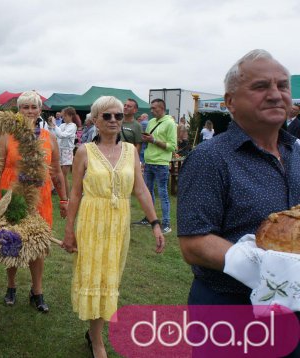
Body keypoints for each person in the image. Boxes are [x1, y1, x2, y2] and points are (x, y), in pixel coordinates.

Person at [178, 49, 300, 358]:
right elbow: (194, 243)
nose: (276, 95)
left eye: (282, 86)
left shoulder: (296, 153)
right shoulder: (210, 158)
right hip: (231, 308)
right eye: (261, 87)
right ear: (230, 101)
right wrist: (267, 268)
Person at [62, 96, 165, 358]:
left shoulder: (131, 151)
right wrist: (69, 230)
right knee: (93, 276)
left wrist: (155, 223)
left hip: (119, 224)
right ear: (95, 119)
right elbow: (75, 194)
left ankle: (93, 333)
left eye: (118, 116)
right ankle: (97, 341)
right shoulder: (84, 151)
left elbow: (141, 190)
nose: (113, 121)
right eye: (106, 116)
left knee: (110, 278)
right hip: (92, 221)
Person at [0, 90, 68, 312]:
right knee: (11, 242)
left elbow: (56, 172)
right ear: (18, 110)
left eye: (33, 107)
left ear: (39, 110)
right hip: (12, 197)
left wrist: (64, 200)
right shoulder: (7, 136)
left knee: (38, 245)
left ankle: (37, 291)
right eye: (24, 107)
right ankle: (11, 286)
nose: (29, 111)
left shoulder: (50, 138)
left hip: (41, 198)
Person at [133, 98, 177, 234]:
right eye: (151, 108)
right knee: (148, 192)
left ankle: (166, 223)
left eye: (154, 108)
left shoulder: (170, 123)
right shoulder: (151, 122)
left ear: (162, 108)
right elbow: (151, 140)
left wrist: (154, 140)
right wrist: (147, 139)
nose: (152, 110)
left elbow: (172, 146)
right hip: (149, 161)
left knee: (163, 194)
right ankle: (149, 218)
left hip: (161, 164)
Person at [50, 106, 77, 196]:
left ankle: (68, 197)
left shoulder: (72, 126)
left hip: (67, 152)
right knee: (59, 175)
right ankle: (60, 193)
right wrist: (51, 126)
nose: (63, 118)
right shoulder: (62, 125)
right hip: (60, 150)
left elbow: (62, 135)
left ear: (70, 116)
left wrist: (54, 125)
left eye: (64, 116)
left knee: (64, 176)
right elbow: (55, 134)